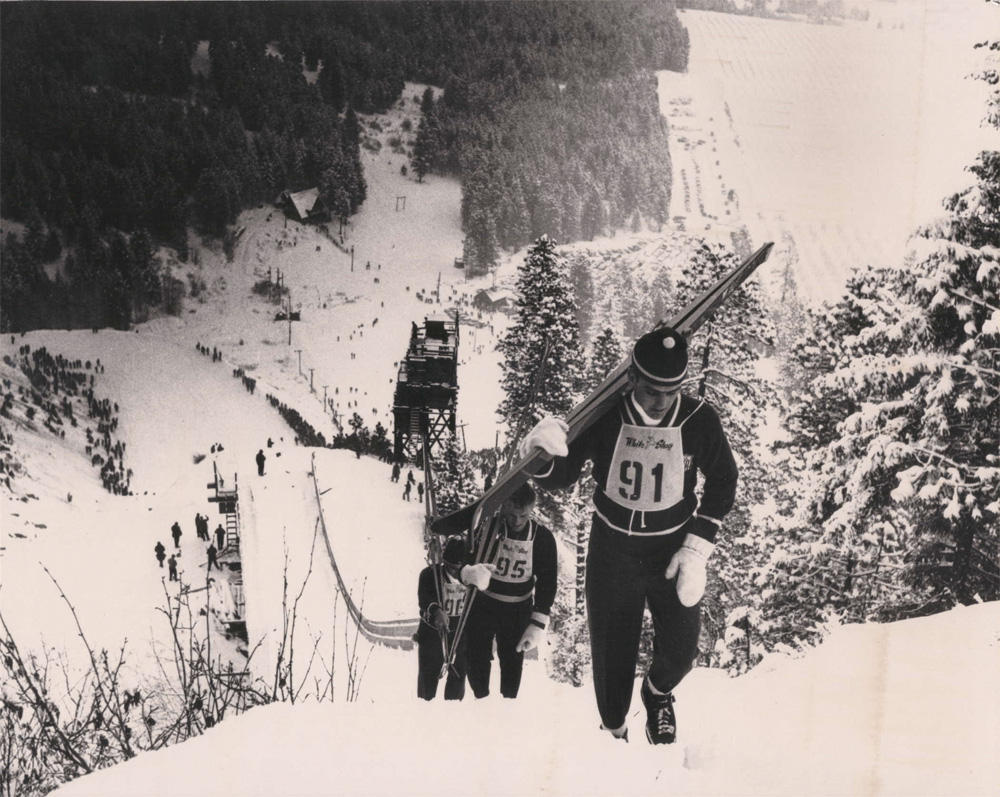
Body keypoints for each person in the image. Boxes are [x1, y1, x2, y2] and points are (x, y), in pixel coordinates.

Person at [518, 326, 737, 744]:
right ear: (632, 379)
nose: (661, 402)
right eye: (652, 390)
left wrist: (696, 547)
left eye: (671, 392)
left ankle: (657, 694)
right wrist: (541, 456)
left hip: (671, 548)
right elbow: (563, 475)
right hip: (613, 549)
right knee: (612, 655)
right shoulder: (606, 417)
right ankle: (614, 732)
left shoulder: (697, 419)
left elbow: (724, 479)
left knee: (681, 650)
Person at [464, 483, 557, 700]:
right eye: (512, 515)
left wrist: (537, 622)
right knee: (477, 657)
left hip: (518, 608)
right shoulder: (488, 529)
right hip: (484, 604)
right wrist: (471, 572)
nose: (516, 522)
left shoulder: (541, 538)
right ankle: (481, 701)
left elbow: (547, 582)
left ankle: (508, 706)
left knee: (512, 661)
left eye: (523, 516)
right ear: (504, 508)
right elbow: (467, 557)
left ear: (531, 511)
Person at [415, 537, 482, 701]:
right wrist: (436, 610)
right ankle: (424, 707)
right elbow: (424, 598)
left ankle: (453, 713)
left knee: (458, 676)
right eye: (449, 567)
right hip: (433, 633)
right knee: (428, 676)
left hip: (460, 634)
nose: (453, 572)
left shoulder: (471, 579)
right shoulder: (430, 574)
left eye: (457, 568)